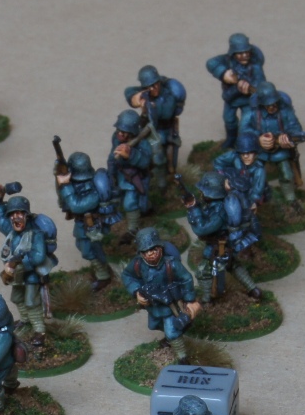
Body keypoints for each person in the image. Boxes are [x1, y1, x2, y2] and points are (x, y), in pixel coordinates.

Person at [0, 185, 57, 345]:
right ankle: (25, 320)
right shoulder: (11, 231)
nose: (16, 218)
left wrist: (17, 263)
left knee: (31, 302)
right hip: (16, 275)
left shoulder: (36, 234)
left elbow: (38, 257)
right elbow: (0, 221)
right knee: (17, 298)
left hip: (31, 275)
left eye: (19, 214)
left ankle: (39, 330)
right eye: (12, 214)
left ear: (26, 215)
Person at [120, 228, 200, 364]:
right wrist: (136, 291)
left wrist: (189, 300)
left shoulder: (171, 264)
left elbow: (186, 279)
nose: (150, 254)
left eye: (153, 249)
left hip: (171, 305)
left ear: (160, 248)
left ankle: (182, 357)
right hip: (153, 305)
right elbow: (127, 275)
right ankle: (173, 335)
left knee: (171, 331)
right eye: (145, 251)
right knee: (154, 325)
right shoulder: (138, 264)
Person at [183, 170, 262, 302]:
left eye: (204, 192)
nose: (201, 194)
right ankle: (254, 290)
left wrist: (193, 209)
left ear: (212, 193)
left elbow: (202, 229)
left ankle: (207, 299)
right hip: (224, 244)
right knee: (233, 265)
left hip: (217, 246)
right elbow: (206, 215)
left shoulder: (219, 211)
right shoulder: (215, 206)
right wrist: (195, 205)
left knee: (203, 270)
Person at [54, 150, 118, 290]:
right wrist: (58, 175)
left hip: (92, 225)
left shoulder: (94, 191)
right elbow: (62, 199)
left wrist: (65, 186)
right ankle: (101, 269)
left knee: (90, 250)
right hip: (82, 223)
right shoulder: (76, 186)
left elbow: (76, 206)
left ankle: (103, 276)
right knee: (82, 246)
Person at [242, 82, 305, 203]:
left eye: (273, 103)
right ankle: (252, 199)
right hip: (259, 152)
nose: (272, 106)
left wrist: (287, 137)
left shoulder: (285, 111)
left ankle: (291, 199)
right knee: (253, 174)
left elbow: (296, 128)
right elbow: (243, 132)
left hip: (279, 151)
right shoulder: (251, 113)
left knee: (287, 174)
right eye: (268, 104)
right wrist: (258, 139)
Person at [204, 32, 266, 144]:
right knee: (229, 120)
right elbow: (210, 63)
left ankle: (244, 145)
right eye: (240, 53)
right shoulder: (228, 61)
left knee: (245, 125)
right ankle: (231, 141)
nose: (244, 56)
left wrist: (250, 87)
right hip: (230, 99)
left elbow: (261, 85)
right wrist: (223, 73)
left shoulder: (255, 67)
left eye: (246, 52)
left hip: (248, 101)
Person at [125, 65, 186, 177]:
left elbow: (166, 113)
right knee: (147, 152)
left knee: (166, 155)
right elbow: (128, 91)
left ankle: (168, 176)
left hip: (165, 129)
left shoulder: (168, 96)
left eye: (155, 84)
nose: (153, 88)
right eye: (149, 86)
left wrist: (150, 107)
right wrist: (136, 98)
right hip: (150, 129)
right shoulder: (146, 93)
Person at [108, 111, 153, 241]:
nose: (120, 134)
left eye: (124, 132)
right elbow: (112, 156)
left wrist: (130, 155)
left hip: (135, 178)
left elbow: (145, 161)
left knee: (130, 202)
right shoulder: (116, 138)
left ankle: (133, 229)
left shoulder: (143, 144)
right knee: (119, 198)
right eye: (119, 130)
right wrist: (111, 173)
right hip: (121, 175)